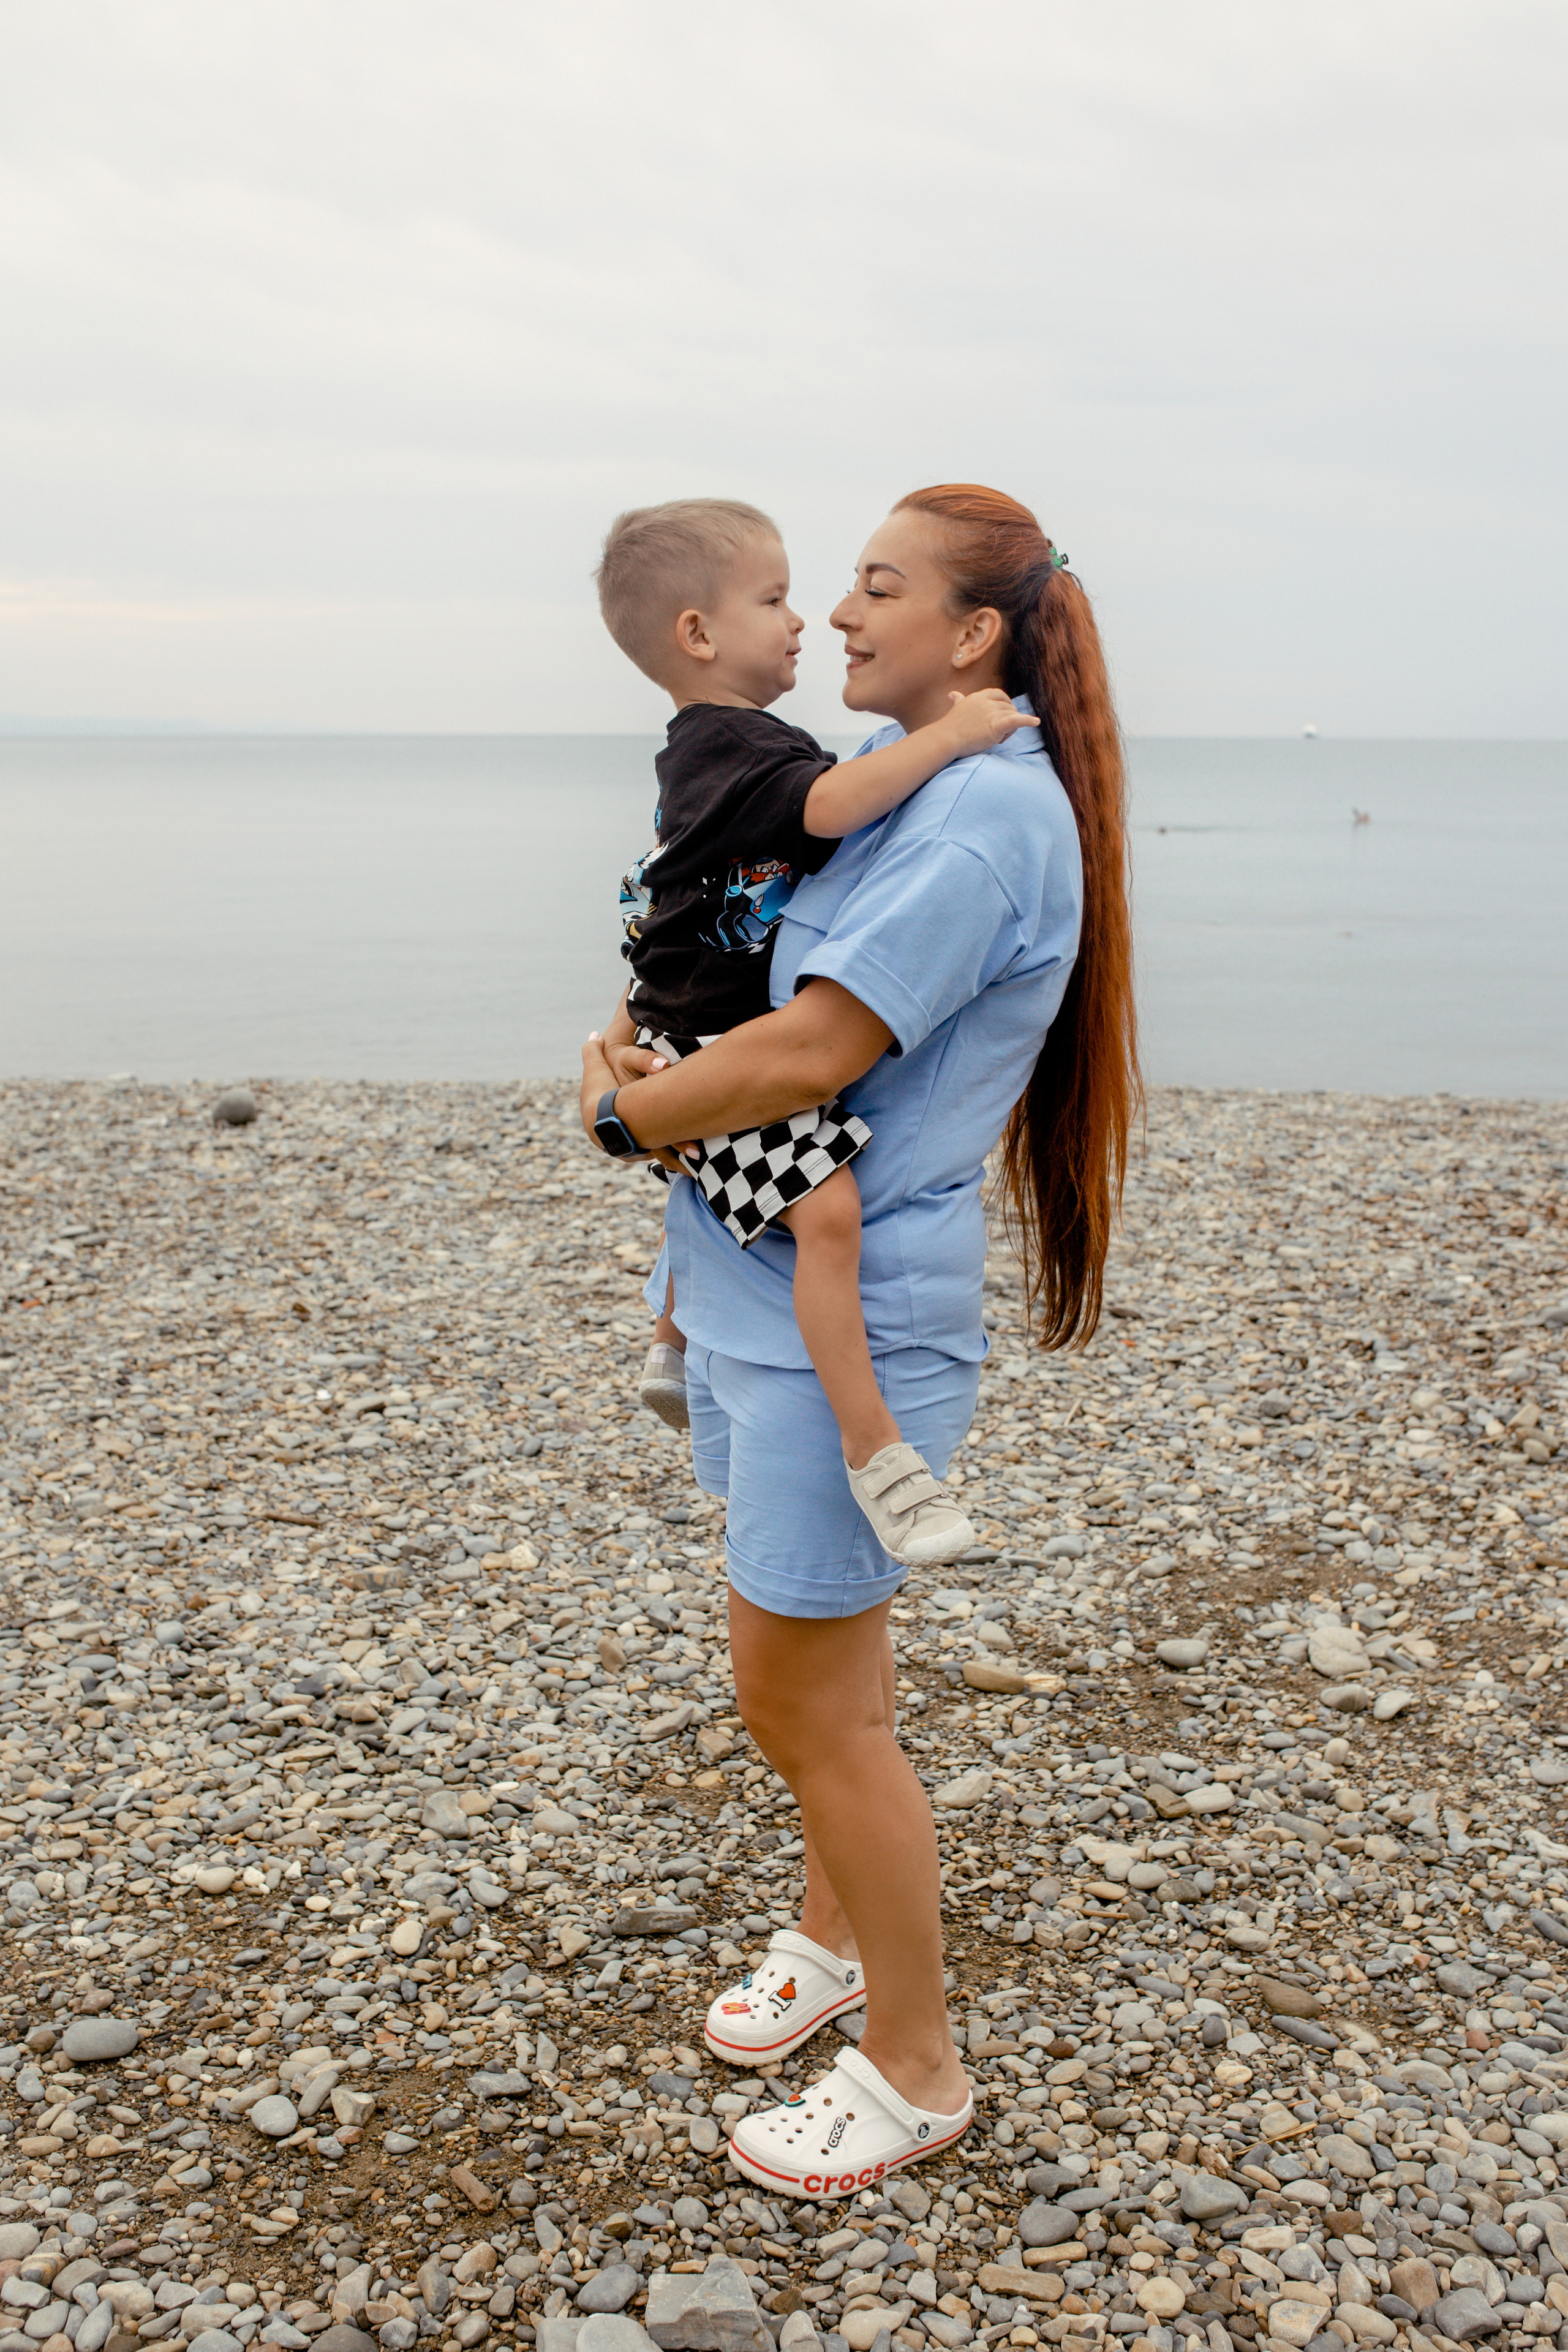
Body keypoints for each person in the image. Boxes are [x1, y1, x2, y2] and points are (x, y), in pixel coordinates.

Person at [580, 483, 1140, 2197]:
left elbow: (814, 1056)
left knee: (804, 1705)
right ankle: (834, 1942)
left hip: (855, 1327)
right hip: (749, 1290)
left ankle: (915, 2067)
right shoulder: (901, 801)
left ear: (973, 635)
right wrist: (636, 1038)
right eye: (826, 587)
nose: (834, 614)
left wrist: (623, 1117)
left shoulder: (980, 824)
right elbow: (733, 969)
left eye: (876, 588)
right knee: (835, 1677)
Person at [592, 497, 1036, 1565]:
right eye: (778, 597)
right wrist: (955, 731)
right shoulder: (737, 745)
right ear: (698, 634)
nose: (812, 619)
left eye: (866, 590)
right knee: (828, 1220)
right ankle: (878, 1455)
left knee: (748, 1189)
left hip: (685, 1025)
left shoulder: (715, 744)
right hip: (709, 1043)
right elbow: (832, 810)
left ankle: (670, 1338)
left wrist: (623, 1071)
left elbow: (681, 898)